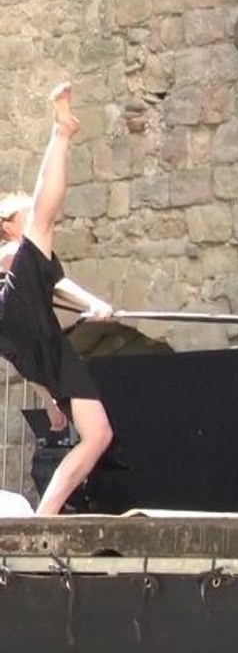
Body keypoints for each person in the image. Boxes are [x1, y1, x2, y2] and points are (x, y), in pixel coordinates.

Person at [0, 82, 115, 515]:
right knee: (43, 228)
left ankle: (44, 519)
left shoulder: (36, 267)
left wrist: (94, 304)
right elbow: (35, 288)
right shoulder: (12, 253)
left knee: (97, 434)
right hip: (18, 321)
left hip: (37, 344)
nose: (30, 216)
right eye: (22, 214)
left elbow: (56, 293)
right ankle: (61, 131)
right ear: (7, 225)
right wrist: (91, 303)